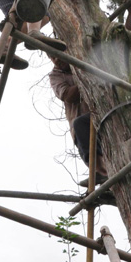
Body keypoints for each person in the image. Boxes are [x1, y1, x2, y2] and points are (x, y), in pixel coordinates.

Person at [49, 56, 107, 185]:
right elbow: (68, 95)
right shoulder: (56, 76)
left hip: (103, 113)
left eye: (58, 55)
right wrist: (87, 80)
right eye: (52, 57)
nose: (57, 59)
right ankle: (103, 176)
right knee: (82, 131)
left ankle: (102, 173)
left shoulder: (86, 60)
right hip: (84, 125)